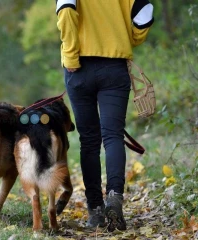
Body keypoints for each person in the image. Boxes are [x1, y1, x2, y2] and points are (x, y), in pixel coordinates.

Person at [56, 0, 154, 232]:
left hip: (79, 67)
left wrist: (70, 54)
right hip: (114, 67)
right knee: (113, 136)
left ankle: (96, 211)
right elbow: (144, 13)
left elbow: (66, 10)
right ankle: (114, 198)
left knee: (89, 141)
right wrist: (126, 37)